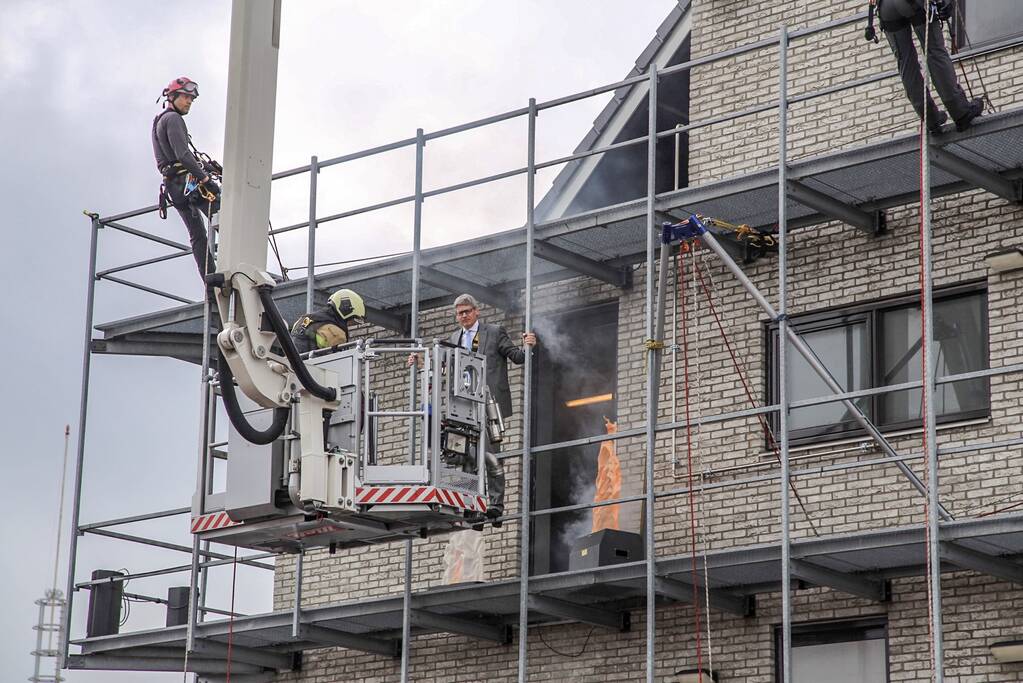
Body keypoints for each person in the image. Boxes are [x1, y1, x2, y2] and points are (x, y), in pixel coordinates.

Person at [445, 294, 537, 524]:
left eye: (467, 311)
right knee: (465, 455)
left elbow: (517, 357)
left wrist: (528, 346)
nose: (463, 316)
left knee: (491, 455)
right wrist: (420, 363)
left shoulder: (494, 332)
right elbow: (446, 368)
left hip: (489, 403)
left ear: (476, 311)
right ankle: (470, 504)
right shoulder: (454, 338)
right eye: (460, 313)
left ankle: (495, 505)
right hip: (464, 405)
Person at [867, 0, 983, 134]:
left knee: (906, 64)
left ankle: (930, 119)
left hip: (885, 8)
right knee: (935, 52)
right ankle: (960, 112)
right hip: (913, 3)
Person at [152, 76, 222, 279]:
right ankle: (236, 266)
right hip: (190, 185)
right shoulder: (174, 119)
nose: (189, 101)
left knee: (197, 236)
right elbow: (183, 155)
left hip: (175, 188)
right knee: (226, 218)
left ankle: (211, 282)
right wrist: (207, 180)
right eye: (185, 97)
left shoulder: (159, 121)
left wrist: (210, 168)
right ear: (172, 97)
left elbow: (176, 158)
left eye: (192, 98)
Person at [290, 289, 366, 354]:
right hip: (313, 366)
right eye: (353, 319)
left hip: (290, 363)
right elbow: (339, 360)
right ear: (346, 311)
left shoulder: (303, 320)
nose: (351, 324)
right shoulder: (336, 333)